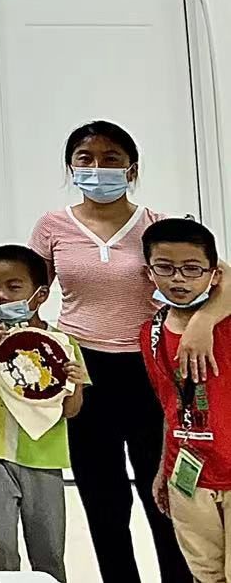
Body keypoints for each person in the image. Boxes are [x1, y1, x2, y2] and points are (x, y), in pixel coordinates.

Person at [26, 121, 226, 583]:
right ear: (71, 167)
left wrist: (201, 324)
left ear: (132, 169)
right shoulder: (52, 226)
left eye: (111, 158)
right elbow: (26, 284)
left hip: (150, 368)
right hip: (82, 371)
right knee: (103, 498)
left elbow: (223, 277)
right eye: (85, 159)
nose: (98, 168)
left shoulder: (155, 224)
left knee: (166, 493)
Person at [0, 244, 86, 583]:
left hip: (43, 455)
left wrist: (75, 383)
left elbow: (71, 411)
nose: (1, 296)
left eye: (14, 287)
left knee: (48, 548)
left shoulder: (62, 343)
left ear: (40, 294)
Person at [142, 217, 231, 583]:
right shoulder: (150, 333)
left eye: (192, 269)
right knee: (205, 572)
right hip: (188, 473)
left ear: (215, 274)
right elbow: (170, 406)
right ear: (149, 272)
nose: (178, 279)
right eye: (165, 267)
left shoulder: (226, 323)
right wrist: (164, 468)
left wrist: (205, 320)